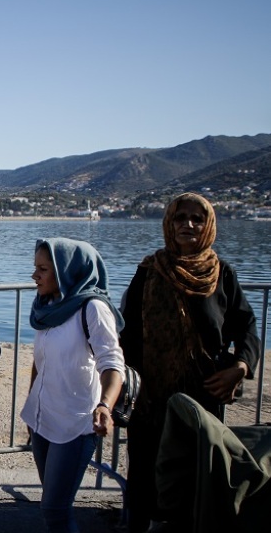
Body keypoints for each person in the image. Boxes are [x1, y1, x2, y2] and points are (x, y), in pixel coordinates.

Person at [119, 192, 259, 532]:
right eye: (181, 217)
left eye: (197, 218)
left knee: (197, 471)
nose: (189, 224)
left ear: (208, 224)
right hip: (150, 397)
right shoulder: (149, 271)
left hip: (202, 397)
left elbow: (247, 328)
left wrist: (239, 368)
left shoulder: (222, 275)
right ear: (169, 223)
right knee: (145, 475)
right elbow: (128, 332)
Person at [20, 238, 125, 532]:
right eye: (35, 268)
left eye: (42, 269)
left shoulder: (92, 309)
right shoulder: (49, 305)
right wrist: (32, 405)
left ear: (67, 271)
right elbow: (40, 363)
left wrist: (105, 405)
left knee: (55, 509)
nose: (34, 276)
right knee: (51, 506)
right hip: (43, 420)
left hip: (75, 424)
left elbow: (112, 363)